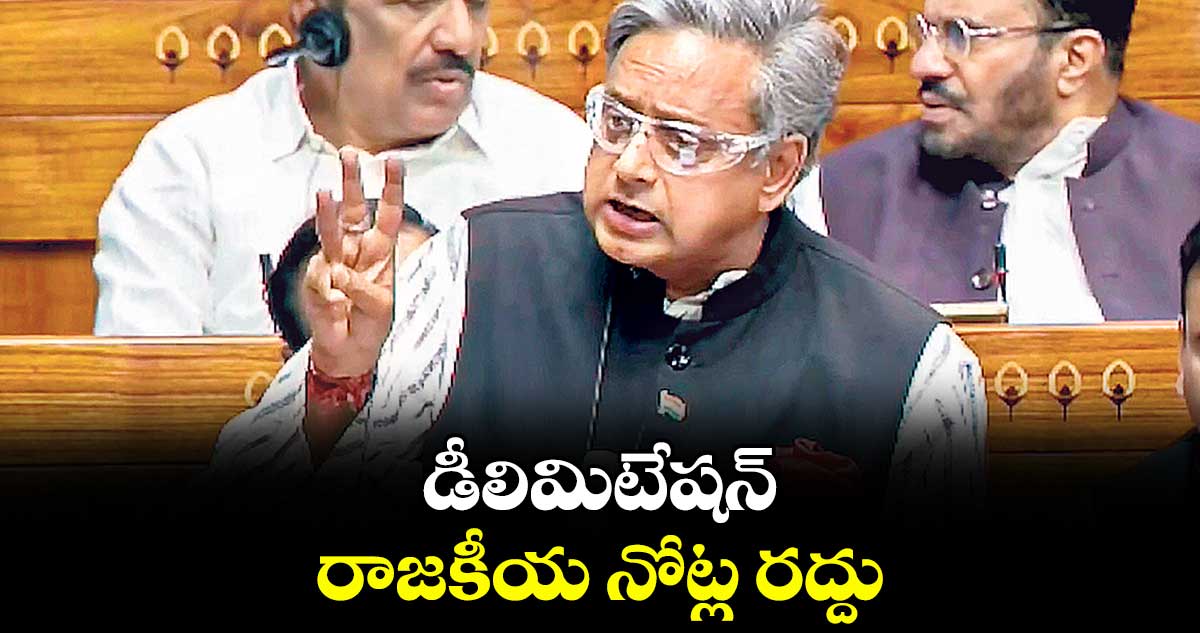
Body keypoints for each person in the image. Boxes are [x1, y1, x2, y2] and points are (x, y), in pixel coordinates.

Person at [210, 0, 987, 518]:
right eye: (617, 122)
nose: (632, 165)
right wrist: (339, 382)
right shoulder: (479, 266)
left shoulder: (909, 366)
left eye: (681, 142)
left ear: (778, 170)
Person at [93, 0, 593, 336]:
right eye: (415, 2)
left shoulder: (556, 153)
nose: (461, 38)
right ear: (319, 17)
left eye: (476, 3)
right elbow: (144, 411)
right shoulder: (190, 165)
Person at [800, 0, 1200, 324]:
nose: (923, 64)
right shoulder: (839, 195)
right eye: (926, 30)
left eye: (962, 35)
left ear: (1074, 60)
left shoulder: (1190, 180)